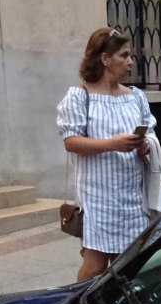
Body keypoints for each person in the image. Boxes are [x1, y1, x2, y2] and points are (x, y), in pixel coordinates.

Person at [57, 27, 155, 281]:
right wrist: (111, 144)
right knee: (95, 266)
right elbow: (71, 142)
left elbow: (152, 135)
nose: (130, 61)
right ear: (104, 59)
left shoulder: (136, 97)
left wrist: (145, 145)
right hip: (97, 195)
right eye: (124, 55)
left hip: (133, 194)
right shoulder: (79, 97)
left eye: (130, 55)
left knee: (129, 266)